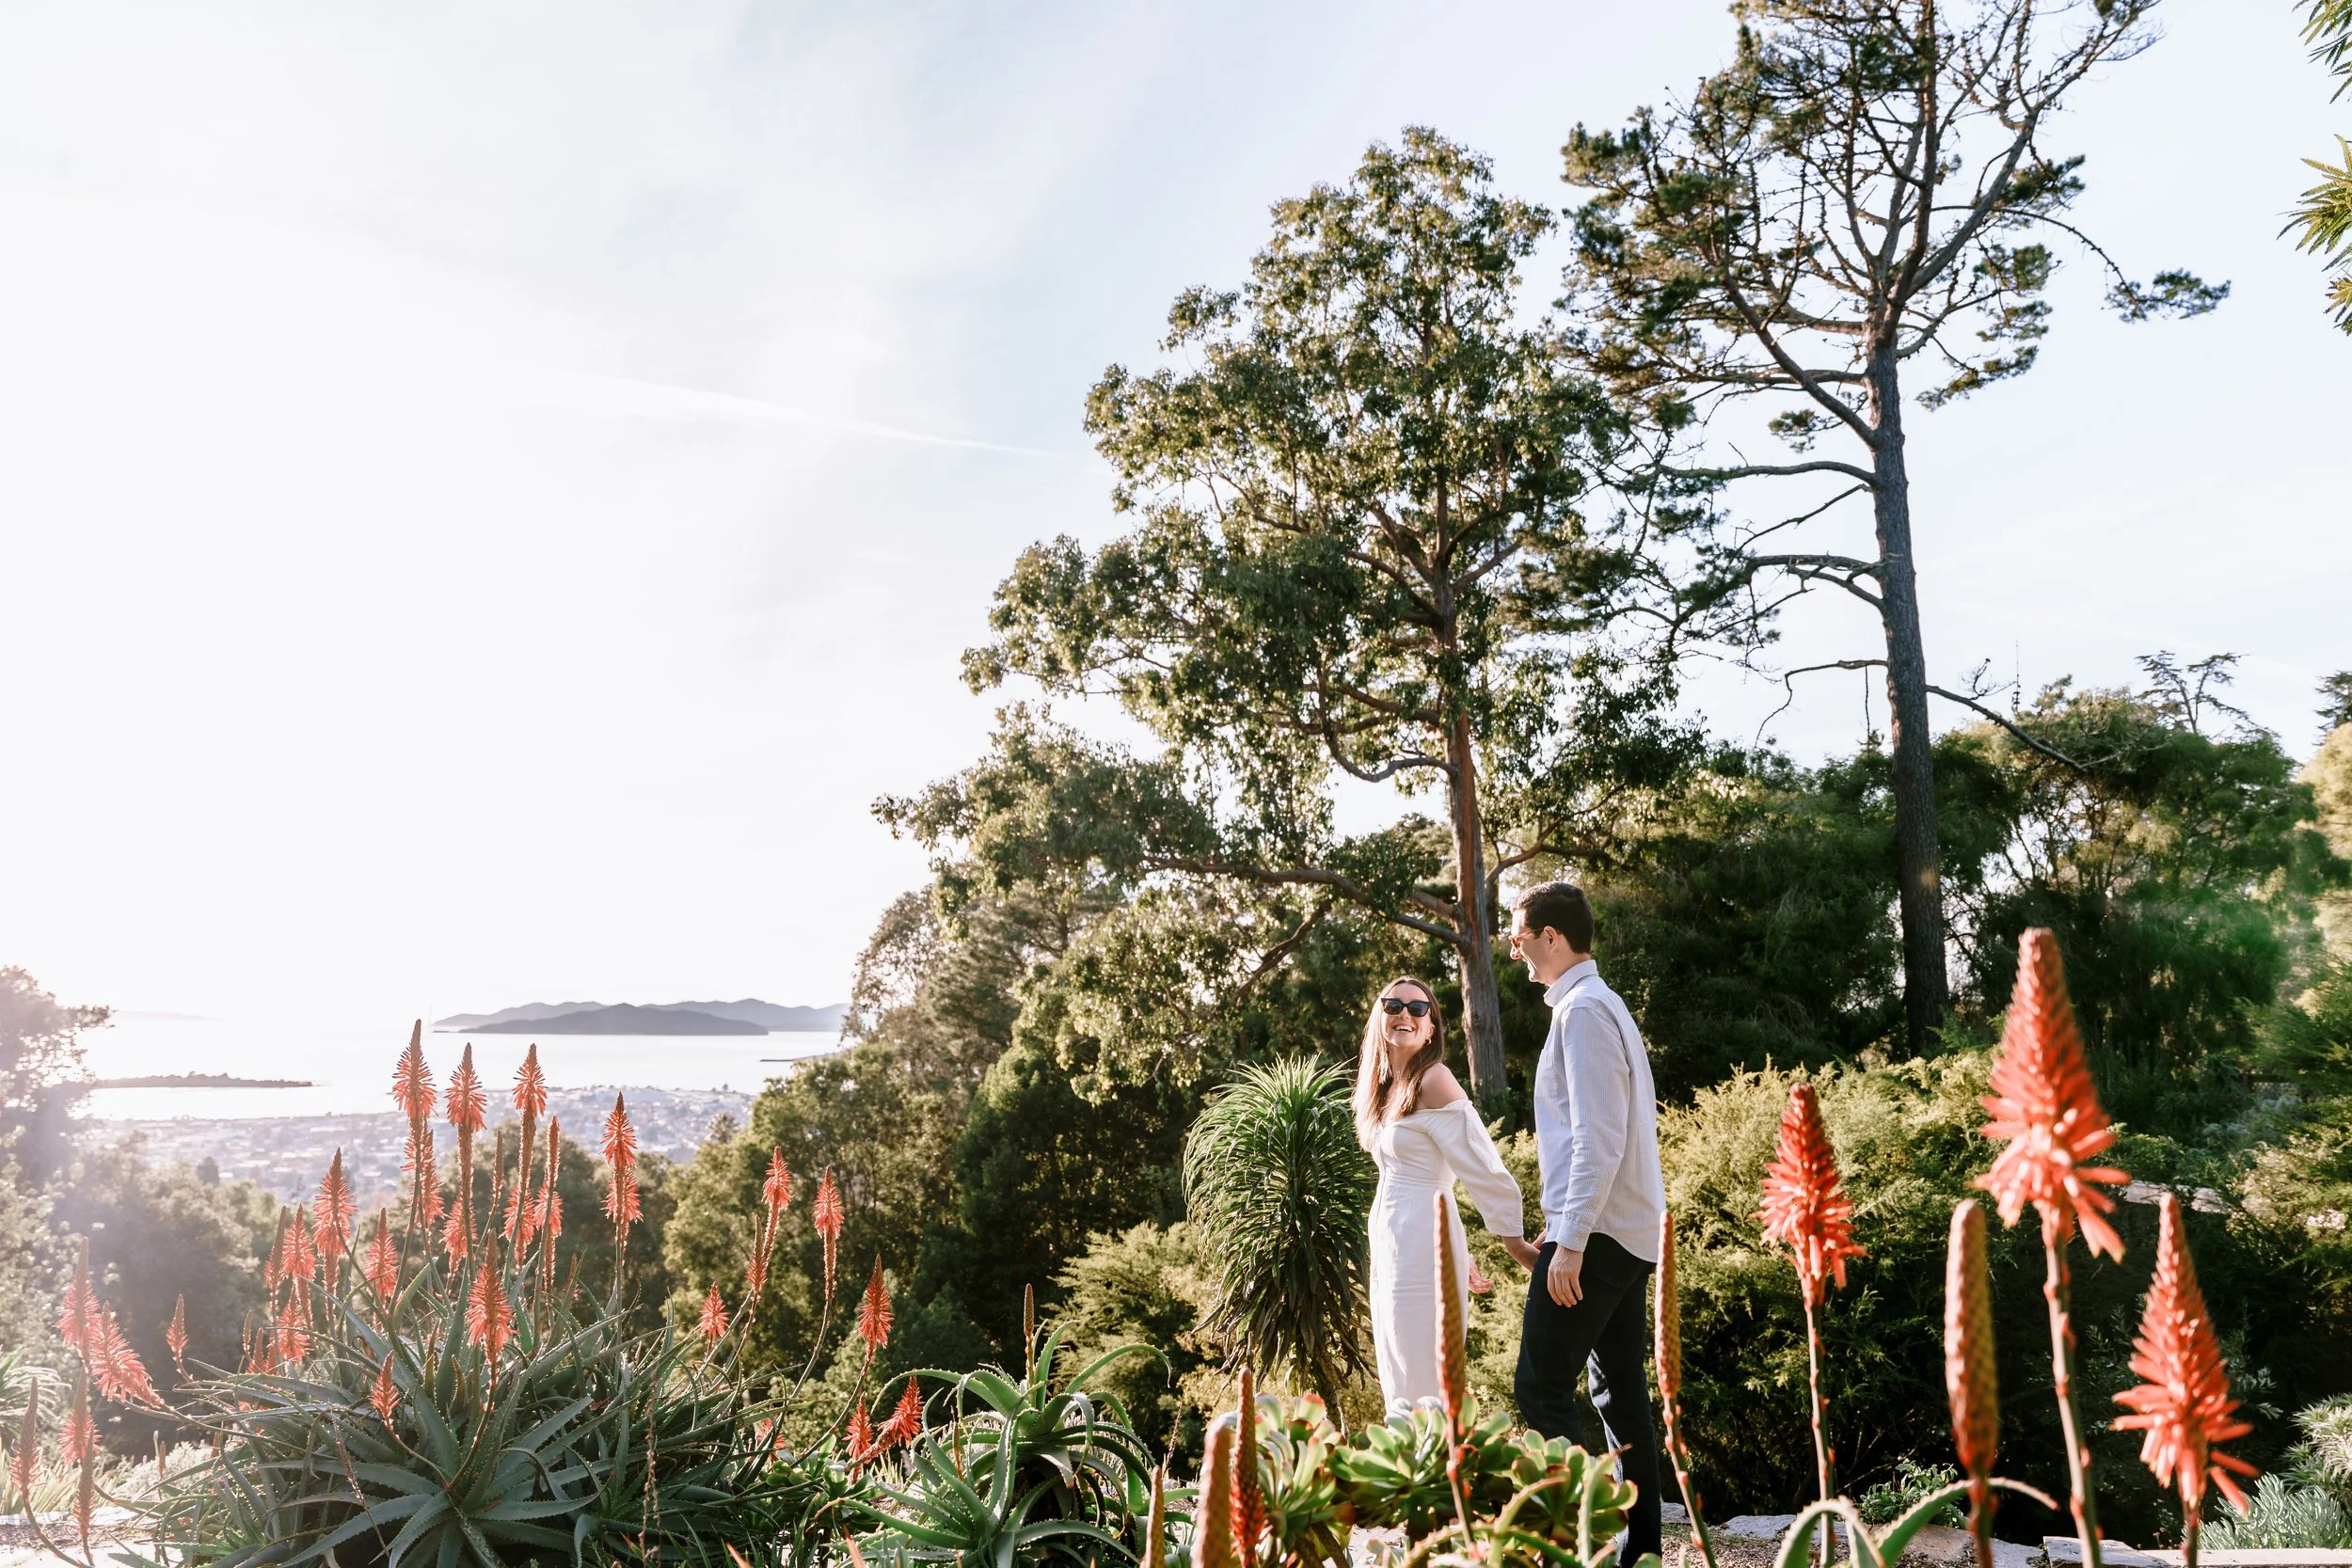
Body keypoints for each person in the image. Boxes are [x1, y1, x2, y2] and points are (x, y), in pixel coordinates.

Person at [1507, 881, 1666, 1568]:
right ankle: (1643, 1552)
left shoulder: (1584, 1012)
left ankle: (1571, 1547)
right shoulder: (1595, 1006)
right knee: (1619, 1393)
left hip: (1599, 1235)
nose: (1515, 949)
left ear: (1552, 937)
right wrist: (1561, 1224)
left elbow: (1598, 1138)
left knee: (1541, 1387)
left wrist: (1571, 1238)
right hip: (1618, 1230)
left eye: (1520, 936)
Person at [1354, 974, 1540, 1416]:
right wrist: (1456, 1245)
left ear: (1431, 1028)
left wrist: (1515, 1242)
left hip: (1421, 1245)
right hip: (1393, 1246)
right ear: (1380, 1015)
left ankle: (1440, 1472)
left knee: (1425, 1366)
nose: (1405, 1014)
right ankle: (1408, 1474)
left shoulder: (1433, 1079)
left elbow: (1481, 1162)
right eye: (1394, 1005)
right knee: (1397, 1362)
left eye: (1418, 1009)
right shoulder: (1383, 1091)